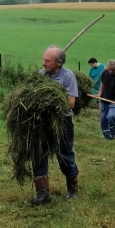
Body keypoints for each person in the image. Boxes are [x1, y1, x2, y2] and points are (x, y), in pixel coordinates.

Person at [30, 46, 79, 206]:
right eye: (43, 60)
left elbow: (70, 103)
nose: (43, 63)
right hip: (41, 122)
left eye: (47, 61)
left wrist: (49, 106)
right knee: (38, 154)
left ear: (59, 62)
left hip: (61, 121)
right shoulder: (41, 76)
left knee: (65, 154)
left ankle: (72, 189)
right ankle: (43, 194)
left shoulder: (68, 77)